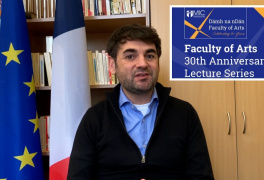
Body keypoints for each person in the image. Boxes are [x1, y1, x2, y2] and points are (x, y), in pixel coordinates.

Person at [67, 23, 214, 180]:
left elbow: (201, 176)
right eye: (130, 56)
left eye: (150, 56)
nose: (143, 64)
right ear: (112, 65)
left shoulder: (184, 114)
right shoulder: (94, 118)